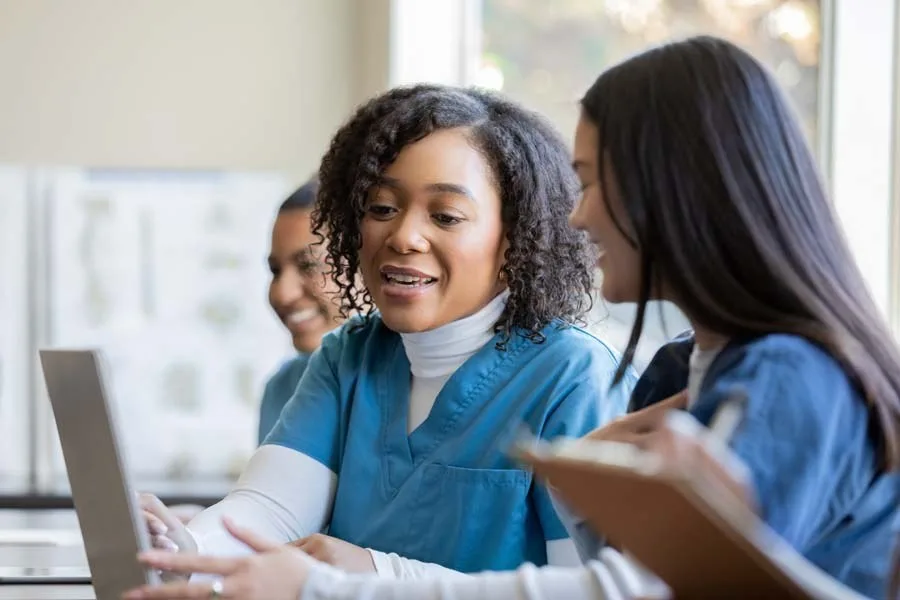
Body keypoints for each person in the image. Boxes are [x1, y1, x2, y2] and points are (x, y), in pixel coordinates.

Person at [125, 36, 900, 600]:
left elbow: (622, 591)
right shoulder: (677, 376)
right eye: (383, 207)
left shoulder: (782, 379)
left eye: (592, 183)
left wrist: (343, 582)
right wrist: (186, 544)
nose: (577, 215)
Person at [139, 83, 634, 579]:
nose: (403, 236)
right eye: (381, 208)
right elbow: (268, 508)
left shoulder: (573, 376)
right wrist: (183, 547)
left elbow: (587, 587)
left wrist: (380, 574)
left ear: (518, 240)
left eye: (445, 216)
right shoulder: (347, 357)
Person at [258, 177, 343, 443]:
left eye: (309, 265)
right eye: (275, 270)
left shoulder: (416, 386)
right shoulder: (282, 387)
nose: (283, 293)